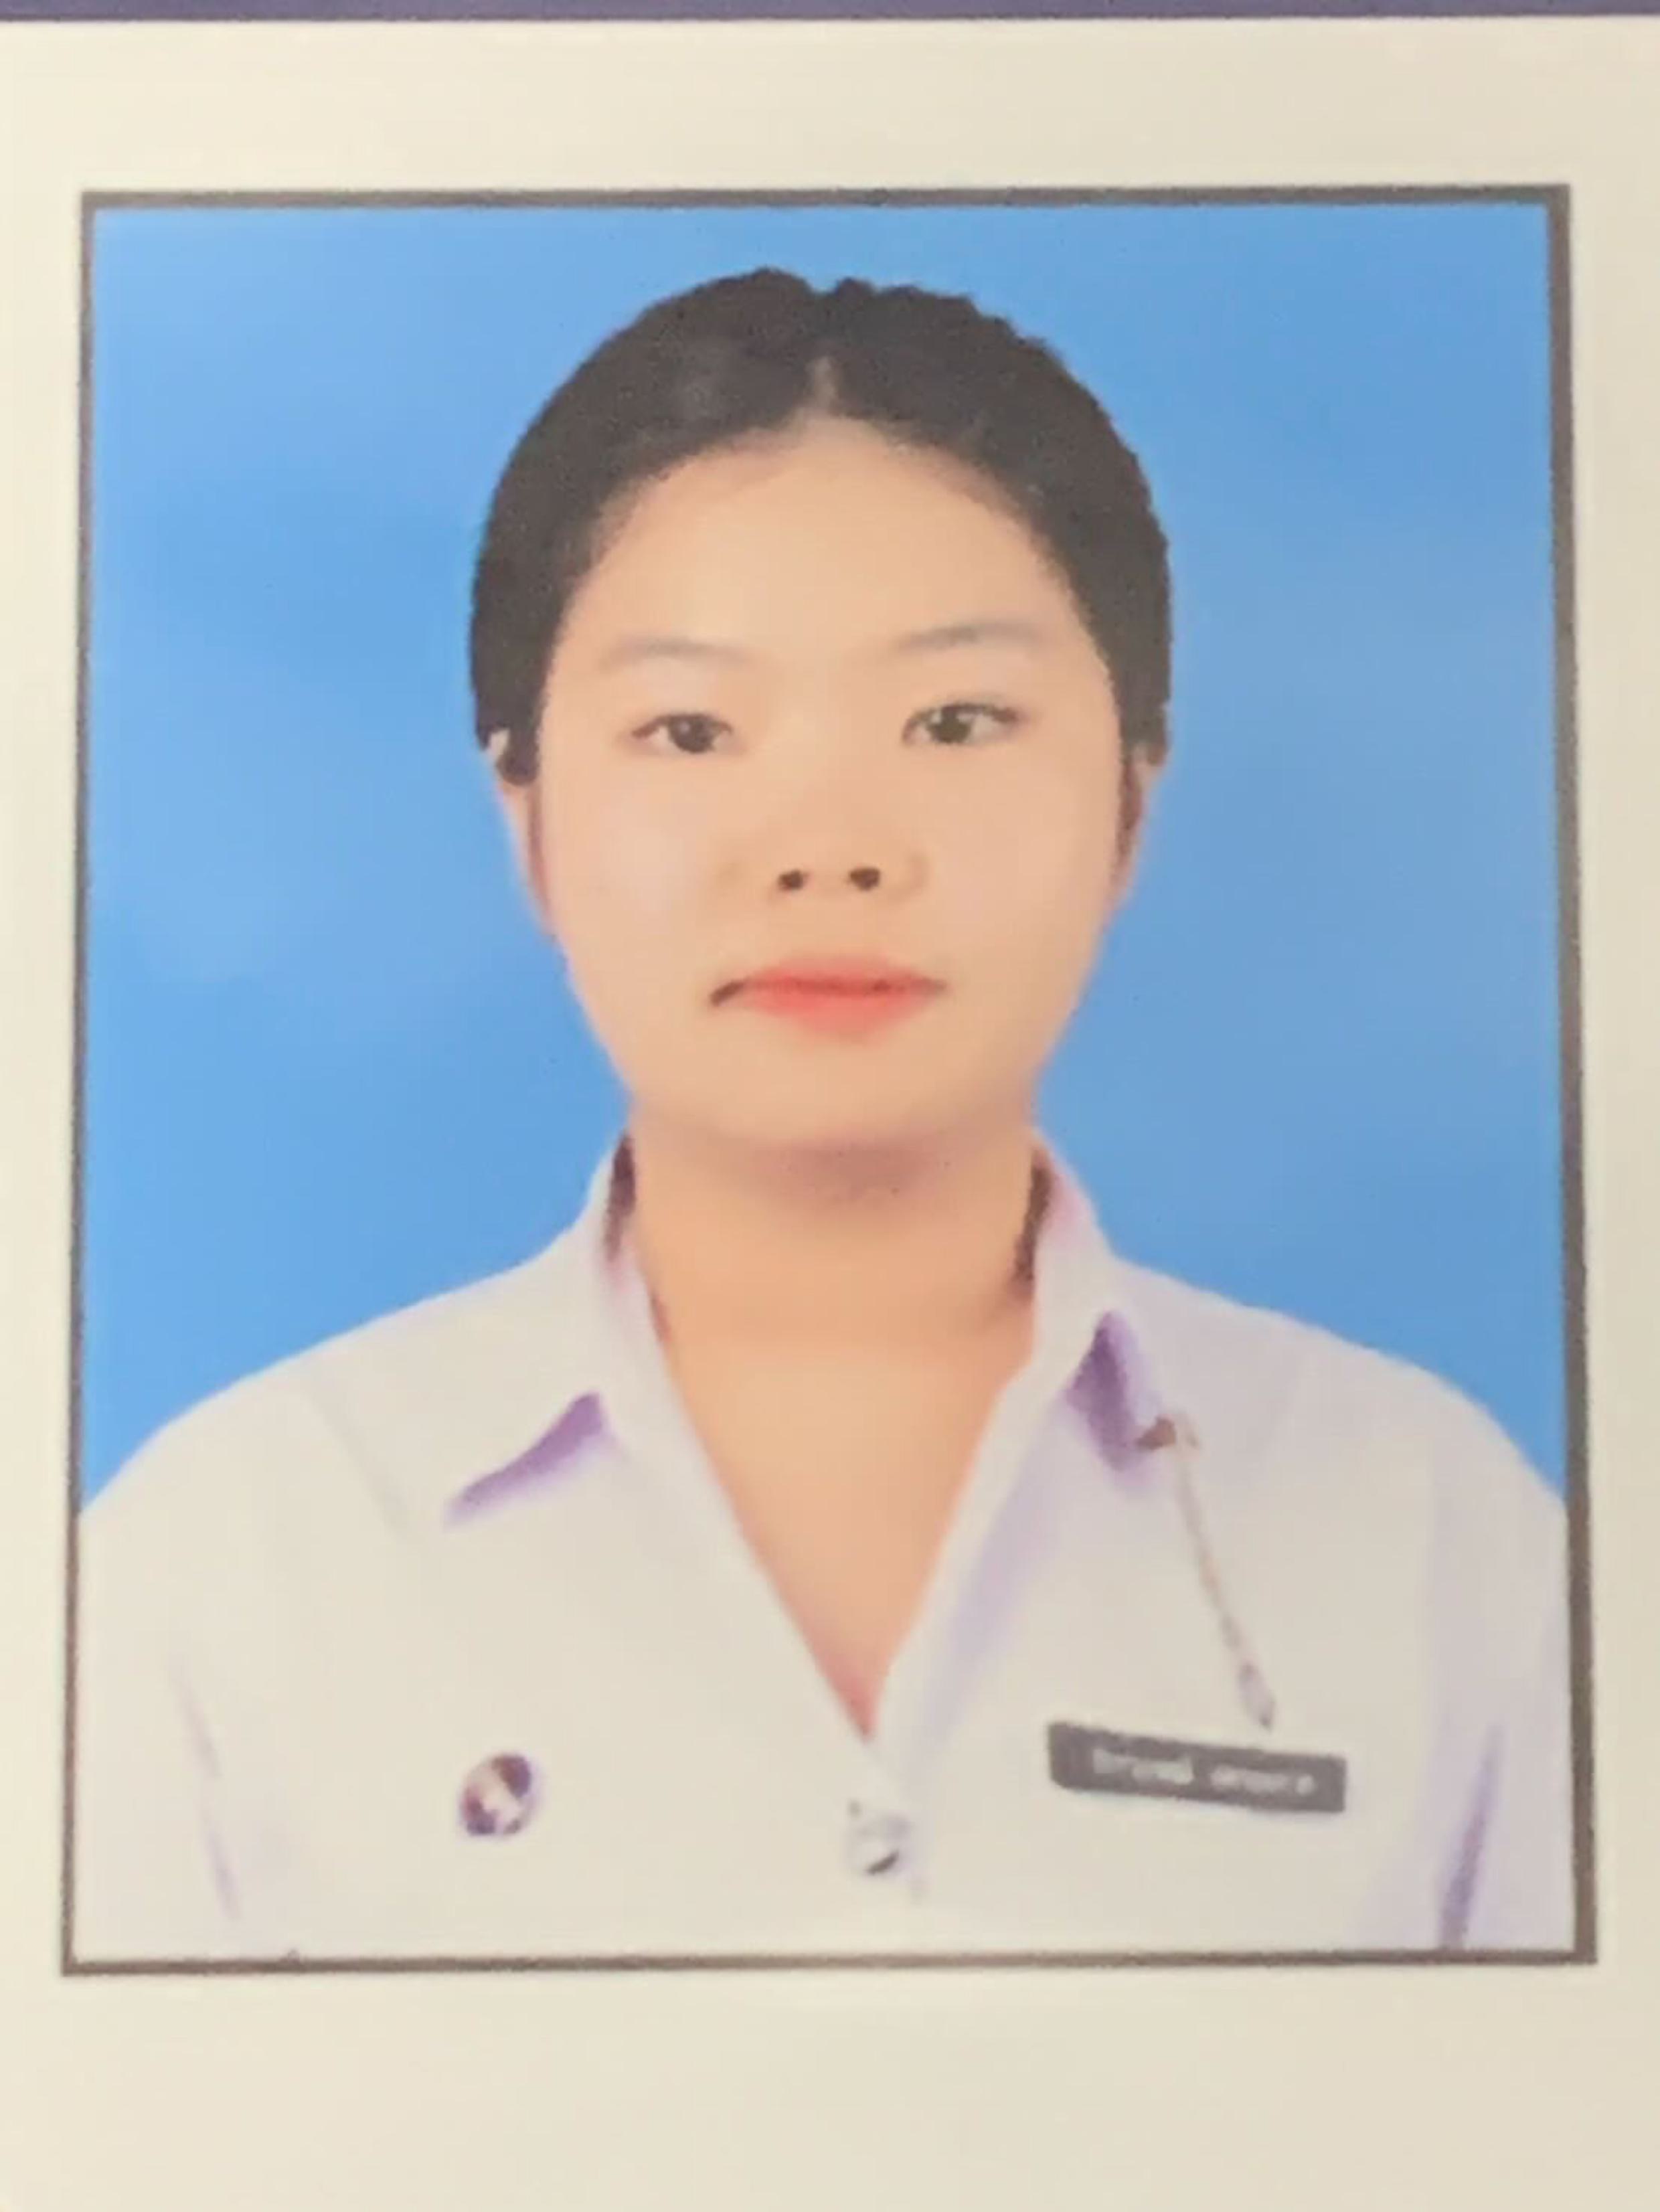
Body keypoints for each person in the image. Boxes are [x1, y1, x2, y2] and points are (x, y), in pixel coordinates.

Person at [72, 268, 1575, 1964]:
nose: (830, 847)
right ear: (527, 816)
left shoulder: (1436, 1533)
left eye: (956, 720)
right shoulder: (222, 1565)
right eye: (689, 728)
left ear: (1131, 804)